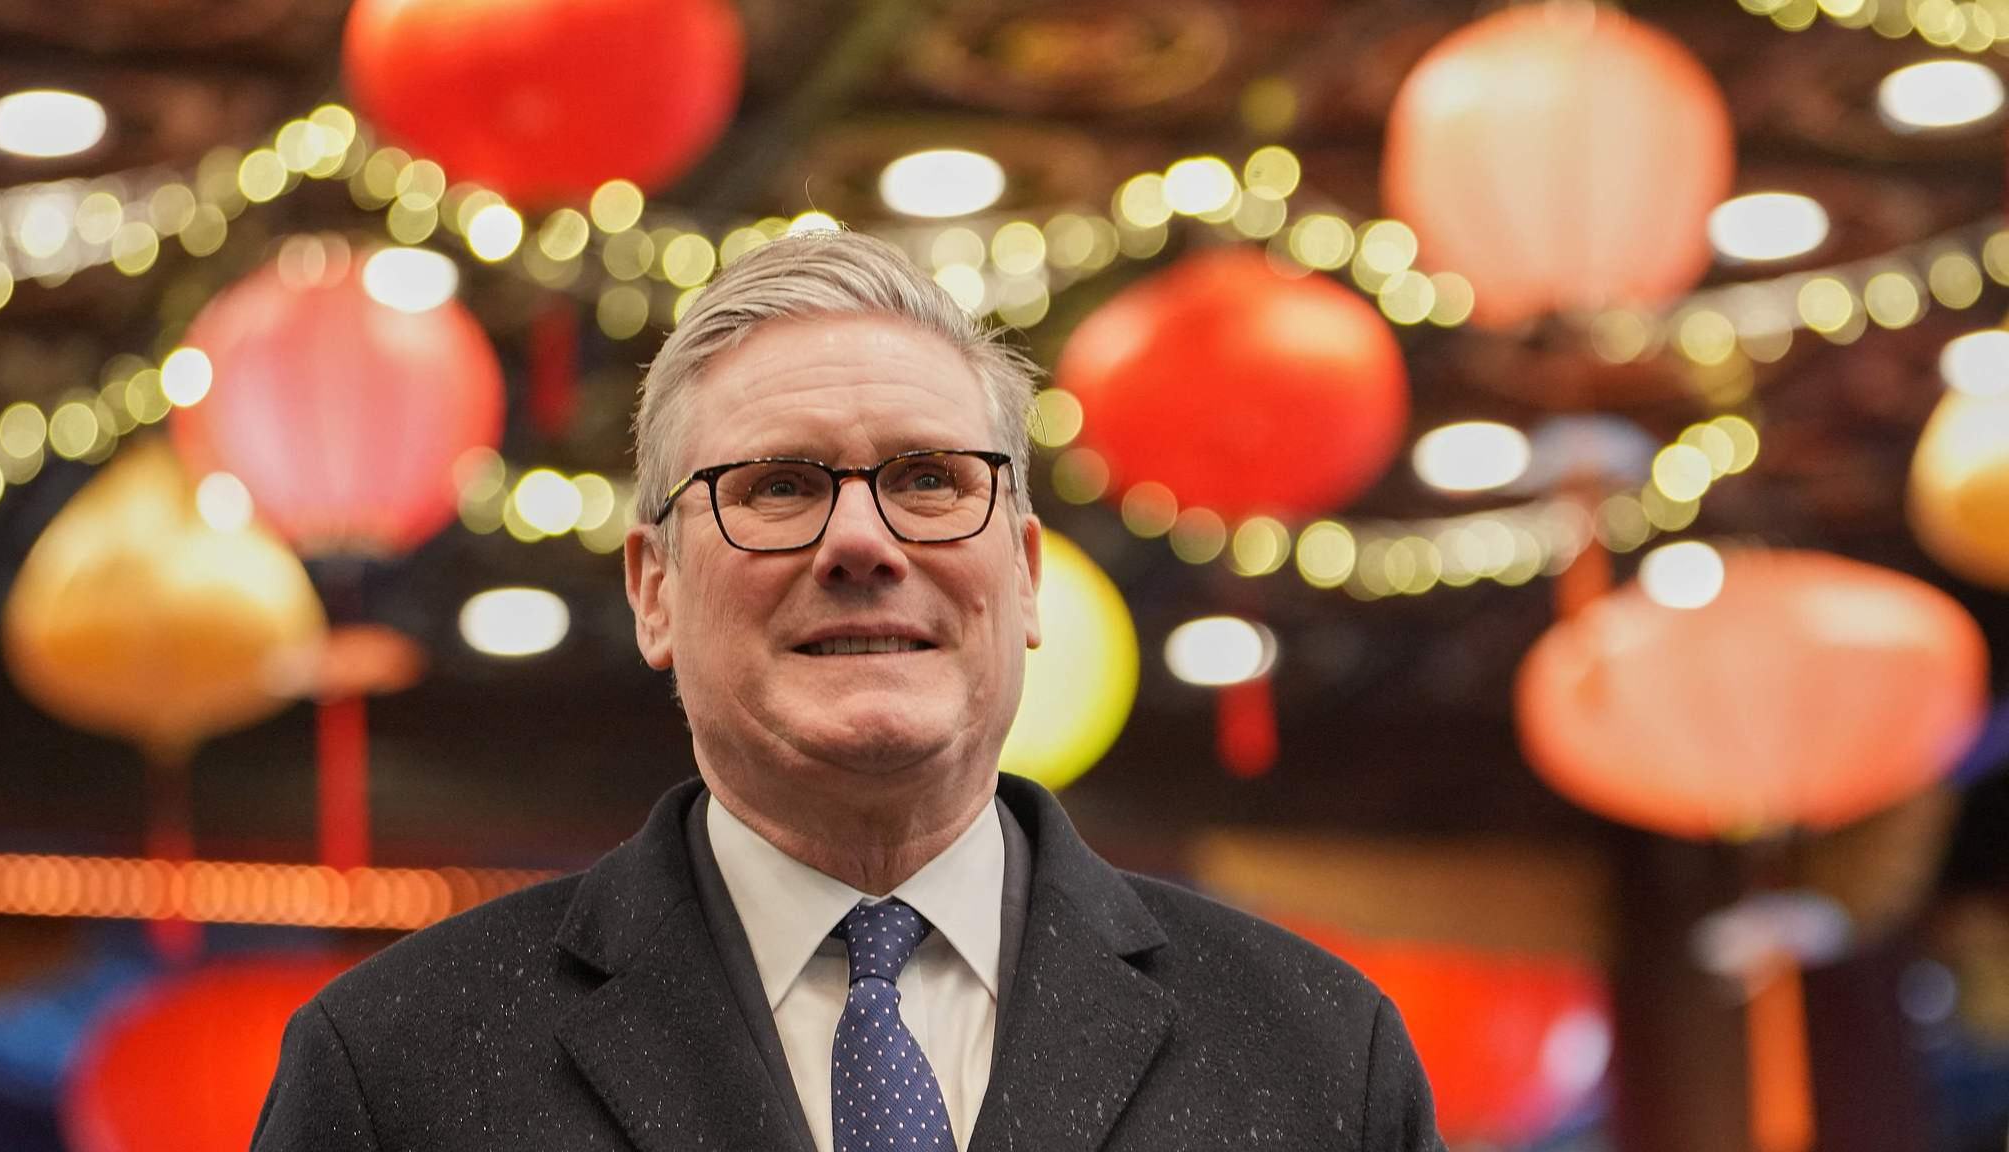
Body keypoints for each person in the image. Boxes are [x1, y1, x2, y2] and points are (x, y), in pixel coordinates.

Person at [252, 230, 1445, 1152]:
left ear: (1024, 577)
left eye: (928, 479)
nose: (862, 543)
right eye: (778, 486)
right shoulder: (395, 1072)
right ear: (654, 589)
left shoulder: (1321, 1058)